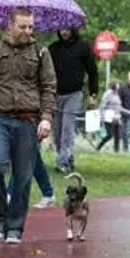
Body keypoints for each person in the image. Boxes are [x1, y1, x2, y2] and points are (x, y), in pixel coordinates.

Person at [0, 7, 57, 244]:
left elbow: (49, 86)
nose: (28, 31)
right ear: (10, 25)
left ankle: (15, 227)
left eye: (31, 27)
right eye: (23, 26)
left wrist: (46, 117)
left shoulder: (41, 52)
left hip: (28, 119)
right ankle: (0, 218)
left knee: (23, 175)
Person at [48, 28, 99, 173]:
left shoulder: (83, 47)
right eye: (61, 29)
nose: (64, 32)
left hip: (74, 94)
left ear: (73, 30)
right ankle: (66, 156)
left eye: (67, 29)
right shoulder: (53, 48)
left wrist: (93, 94)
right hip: (56, 94)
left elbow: (93, 72)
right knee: (57, 131)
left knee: (67, 128)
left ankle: (63, 161)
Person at [96, 81, 130, 153]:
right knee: (110, 135)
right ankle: (98, 147)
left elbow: (119, 107)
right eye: (117, 84)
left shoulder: (117, 95)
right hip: (108, 117)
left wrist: (129, 113)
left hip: (116, 118)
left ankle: (116, 151)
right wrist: (101, 117)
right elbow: (102, 105)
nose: (119, 86)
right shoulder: (108, 94)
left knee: (118, 135)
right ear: (114, 85)